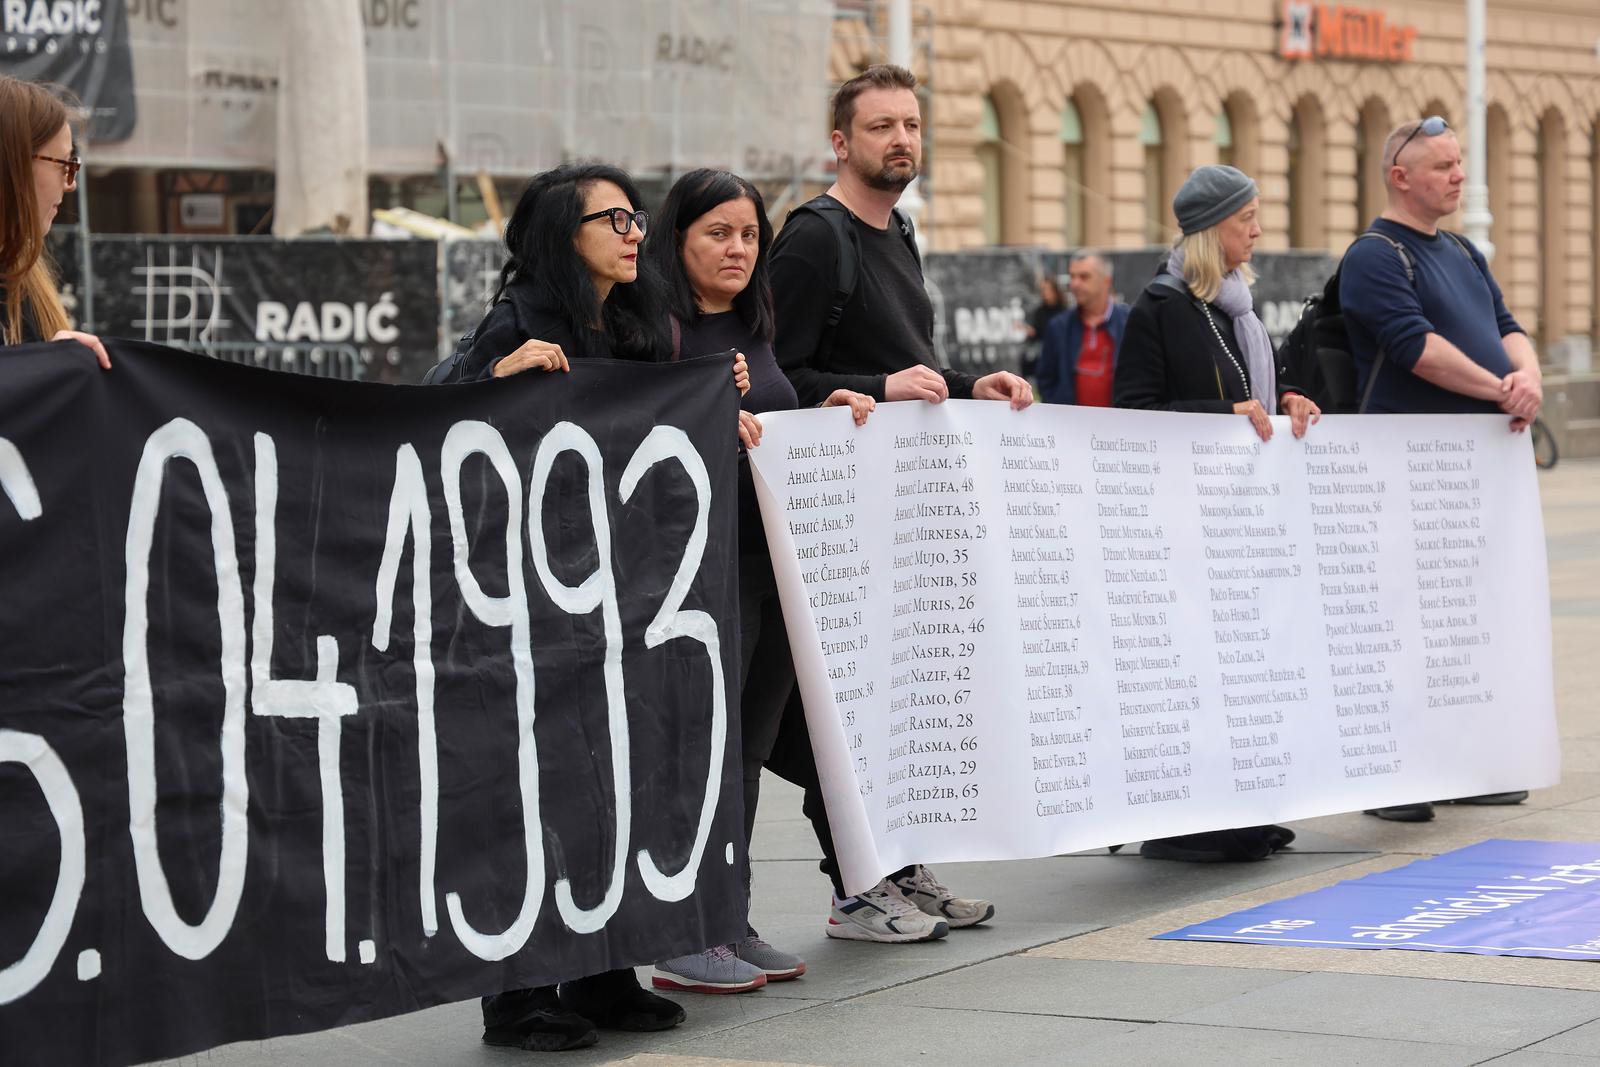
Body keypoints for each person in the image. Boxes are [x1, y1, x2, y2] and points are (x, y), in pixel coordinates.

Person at [768, 63, 1031, 943]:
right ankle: (855, 885)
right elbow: (783, 380)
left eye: (911, 125)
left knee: (898, 698)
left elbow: (904, 365)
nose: (901, 141)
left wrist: (968, 383)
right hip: (831, 523)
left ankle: (899, 861)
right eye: (881, 127)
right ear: (841, 142)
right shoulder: (814, 238)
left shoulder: (901, 234)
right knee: (836, 710)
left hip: (895, 521)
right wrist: (877, 383)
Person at [442, 162, 695, 1053]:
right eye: (614, 218)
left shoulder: (635, 323)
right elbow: (433, 412)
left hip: (612, 593)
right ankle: (517, 993)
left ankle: (601, 967)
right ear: (564, 233)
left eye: (636, 218)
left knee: (607, 778)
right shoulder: (518, 320)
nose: (634, 233)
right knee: (529, 788)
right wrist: (495, 373)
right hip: (524, 596)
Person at [642, 169, 876, 993]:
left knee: (744, 748)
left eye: (748, 235)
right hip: (696, 575)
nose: (737, 248)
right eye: (718, 233)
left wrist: (823, 409)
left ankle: (727, 916)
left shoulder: (753, 323)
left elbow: (767, 423)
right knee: (699, 752)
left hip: (773, 564)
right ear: (678, 241)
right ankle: (680, 926)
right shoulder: (653, 329)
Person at [1114, 164, 1320, 863]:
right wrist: (1222, 416)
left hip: (1242, 523)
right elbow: (1132, 414)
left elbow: (1251, 390)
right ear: (1211, 231)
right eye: (1246, 218)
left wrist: (1287, 397)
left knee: (1247, 668)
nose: (1258, 229)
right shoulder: (1160, 306)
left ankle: (1248, 806)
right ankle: (1189, 823)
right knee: (1198, 673)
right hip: (1183, 525)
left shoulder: (1237, 309)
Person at [1340, 117, 1540, 823]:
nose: (1459, 175)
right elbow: (1413, 347)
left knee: (1465, 623)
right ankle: (1391, 776)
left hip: (1472, 470)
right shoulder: (1374, 254)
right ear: (1401, 177)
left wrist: (1529, 379)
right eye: (1443, 166)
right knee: (1402, 621)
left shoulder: (1460, 248)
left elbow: (1509, 326)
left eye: (1459, 163)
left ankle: (1464, 762)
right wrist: (1500, 389)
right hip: (1404, 470)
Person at [1, 74, 107, 366]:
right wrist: (37, 368)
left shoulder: (22, 275)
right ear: (15, 164)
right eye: (65, 164)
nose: (70, 184)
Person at [1036, 251, 1129, 406]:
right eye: (1072, 276)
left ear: (1106, 281)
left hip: (1120, 426)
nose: (1074, 284)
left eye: (1084, 277)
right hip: (1069, 427)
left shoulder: (1129, 324)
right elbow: (1045, 379)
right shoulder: (1058, 326)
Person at [1021, 273, 1065, 379]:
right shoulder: (1040, 311)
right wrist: (1031, 332)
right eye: (1043, 290)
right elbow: (1037, 332)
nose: (1045, 293)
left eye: (1048, 289)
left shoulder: (1064, 310)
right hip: (1043, 348)